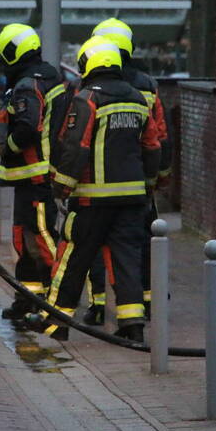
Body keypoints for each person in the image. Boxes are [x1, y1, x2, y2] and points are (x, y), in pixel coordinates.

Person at [35, 36, 161, 342]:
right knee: (126, 260)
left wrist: (61, 188)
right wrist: (147, 185)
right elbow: (152, 147)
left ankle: (56, 322)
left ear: (88, 64)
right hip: (131, 201)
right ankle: (132, 327)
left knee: (73, 257)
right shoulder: (137, 99)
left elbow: (76, 148)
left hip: (92, 201)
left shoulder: (88, 99)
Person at [81, 18, 172, 326]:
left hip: (96, 181)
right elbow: (159, 136)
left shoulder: (91, 88)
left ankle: (98, 303)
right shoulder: (147, 85)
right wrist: (158, 177)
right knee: (138, 242)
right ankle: (145, 300)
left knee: (94, 243)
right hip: (137, 179)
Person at [0, 24, 68, 323]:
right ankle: (27, 297)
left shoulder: (26, 86)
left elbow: (26, 128)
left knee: (43, 238)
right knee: (23, 238)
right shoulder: (49, 77)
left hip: (37, 176)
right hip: (34, 177)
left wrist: (4, 148)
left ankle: (55, 301)